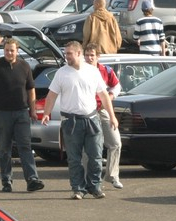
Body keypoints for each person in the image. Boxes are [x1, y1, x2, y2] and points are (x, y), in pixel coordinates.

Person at [42, 40, 117, 200]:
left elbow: (104, 95)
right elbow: (52, 95)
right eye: (65, 53)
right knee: (74, 158)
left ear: (78, 53)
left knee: (95, 156)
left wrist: (112, 116)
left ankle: (95, 187)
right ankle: (78, 189)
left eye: (69, 53)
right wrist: (46, 113)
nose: (66, 56)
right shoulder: (62, 73)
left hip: (92, 119)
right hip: (71, 121)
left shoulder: (92, 71)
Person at [0, 39, 44, 192]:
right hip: (1, 113)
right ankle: (6, 181)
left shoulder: (24, 66)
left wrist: (33, 110)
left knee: (25, 146)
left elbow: (31, 89)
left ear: (17, 51)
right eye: (7, 50)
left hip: (22, 112)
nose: (9, 53)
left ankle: (32, 179)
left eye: (12, 50)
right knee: (4, 148)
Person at [84, 45, 124, 189]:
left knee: (115, 143)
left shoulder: (105, 70)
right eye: (87, 55)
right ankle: (88, 179)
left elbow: (117, 86)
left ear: (98, 57)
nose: (89, 58)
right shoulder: (80, 70)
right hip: (86, 111)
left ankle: (113, 175)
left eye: (92, 55)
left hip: (102, 109)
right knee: (88, 147)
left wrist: (111, 96)